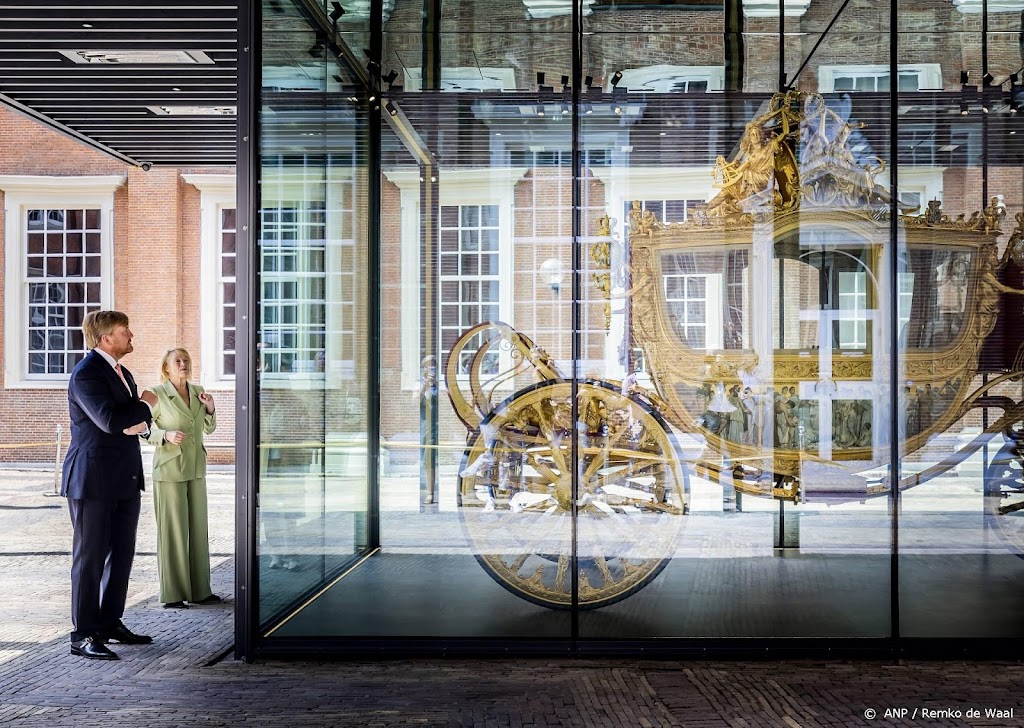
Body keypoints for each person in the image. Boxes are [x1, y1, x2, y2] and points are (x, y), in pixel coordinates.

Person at [62, 310, 155, 661]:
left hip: (125, 479)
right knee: (90, 559)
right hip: (92, 480)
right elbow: (111, 421)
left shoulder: (123, 372)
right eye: (124, 330)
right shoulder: (86, 374)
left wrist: (137, 420)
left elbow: (133, 424)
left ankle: (109, 622)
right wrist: (145, 405)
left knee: (122, 554)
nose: (131, 335)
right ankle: (83, 635)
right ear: (105, 338)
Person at [142, 349, 220, 608]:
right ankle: (173, 593)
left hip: (196, 468)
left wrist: (210, 407)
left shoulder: (198, 391)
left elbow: (208, 428)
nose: (183, 364)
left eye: (186, 360)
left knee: (198, 530)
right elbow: (140, 429)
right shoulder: (155, 393)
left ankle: (200, 591)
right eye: (177, 361)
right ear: (166, 367)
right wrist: (164, 436)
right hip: (170, 470)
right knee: (173, 532)